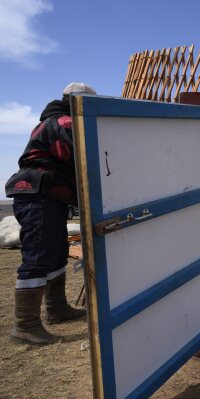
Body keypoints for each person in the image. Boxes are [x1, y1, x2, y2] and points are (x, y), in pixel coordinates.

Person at [5, 82, 96, 345]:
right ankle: (25, 326)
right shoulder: (64, 122)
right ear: (77, 101)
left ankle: (57, 309)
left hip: (49, 196)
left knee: (55, 251)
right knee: (38, 255)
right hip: (38, 195)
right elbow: (84, 154)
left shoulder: (56, 120)